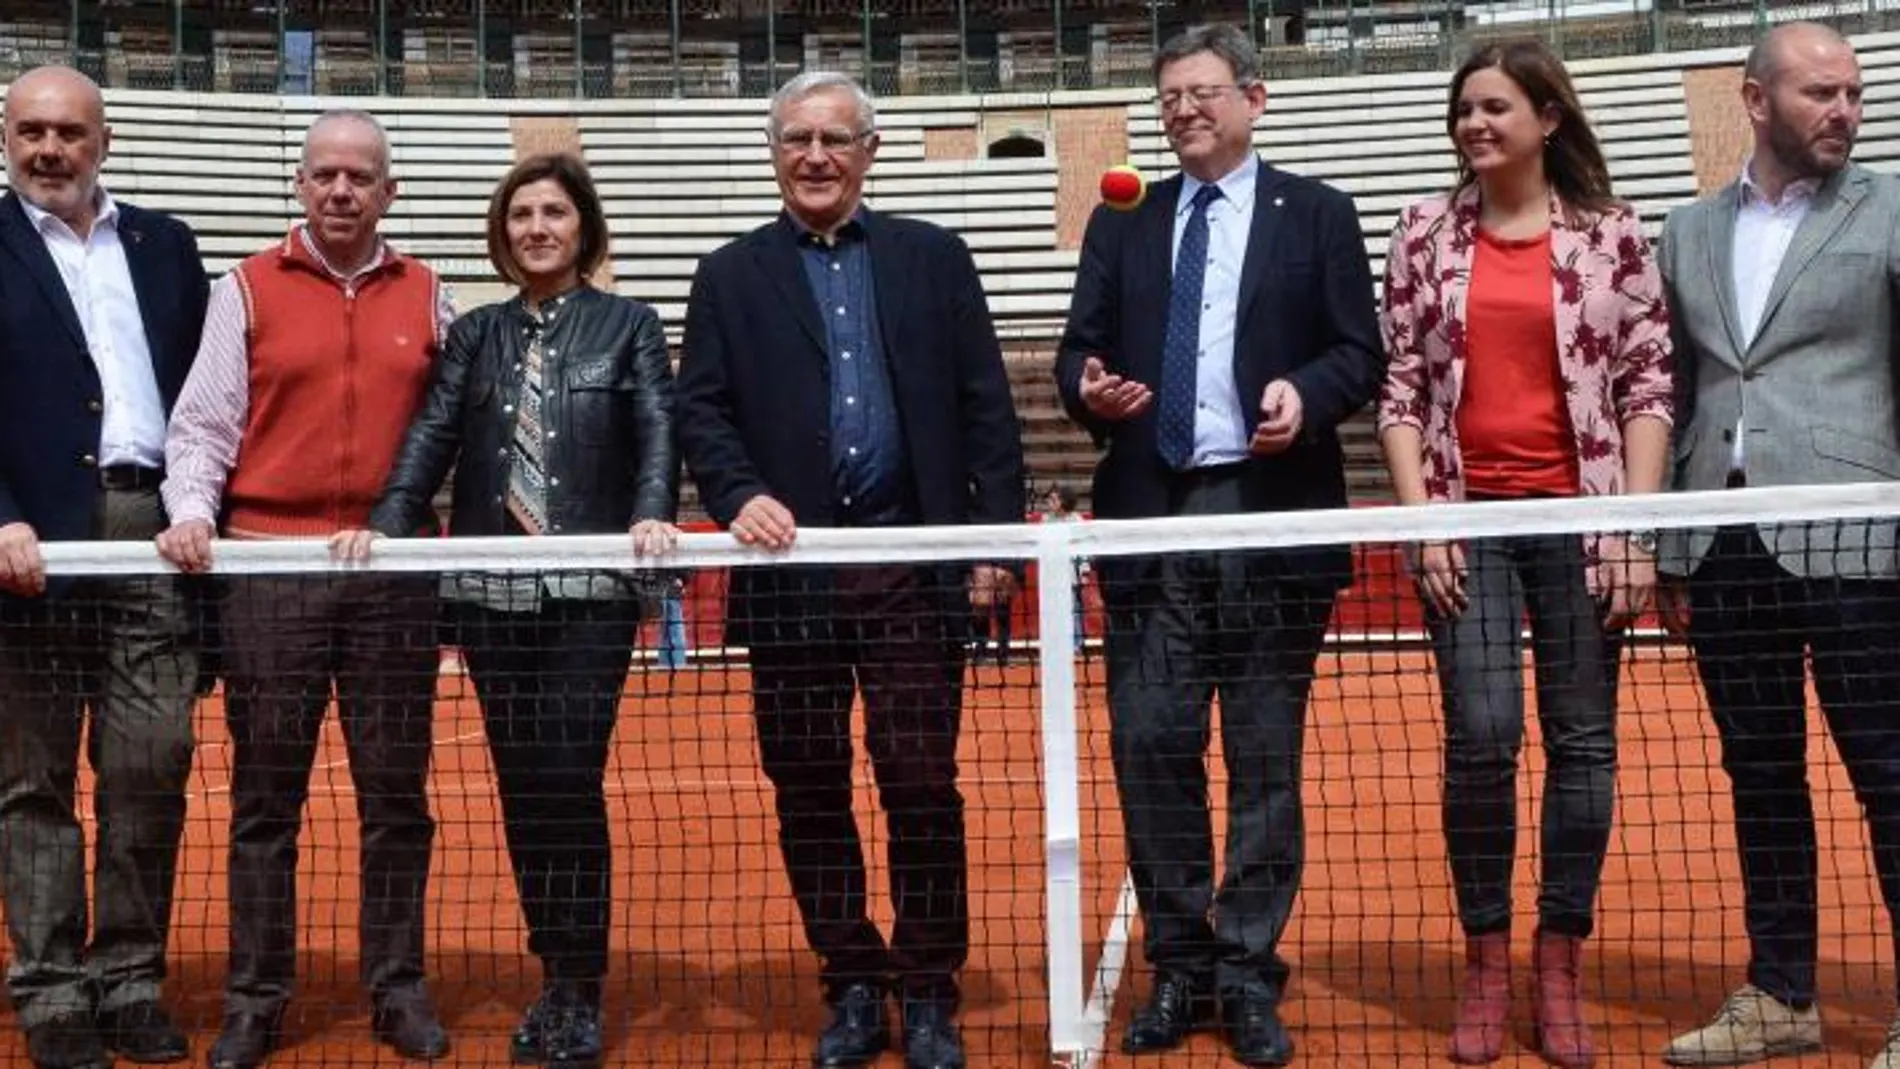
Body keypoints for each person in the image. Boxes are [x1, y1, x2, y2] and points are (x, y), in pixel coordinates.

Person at [676, 70, 1025, 1069]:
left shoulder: (934, 258)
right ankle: (849, 977)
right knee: (806, 783)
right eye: (796, 140)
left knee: (919, 782)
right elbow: (701, 408)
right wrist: (739, 492)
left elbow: (984, 407)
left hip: (912, 568)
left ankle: (926, 987)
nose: (815, 157)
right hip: (793, 576)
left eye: (835, 139)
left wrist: (989, 544)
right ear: (774, 153)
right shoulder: (729, 274)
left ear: (867, 152)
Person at [1054, 23, 1384, 1066]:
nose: (1183, 111)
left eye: (1202, 93)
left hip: (1270, 519)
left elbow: (1356, 353)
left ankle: (1244, 975)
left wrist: (1307, 393)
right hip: (1150, 520)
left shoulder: (1318, 215)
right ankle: (1180, 967)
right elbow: (1077, 354)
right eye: (1169, 98)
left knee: (1262, 764)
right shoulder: (1124, 224)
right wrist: (1090, 390)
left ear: (1253, 99)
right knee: (1149, 750)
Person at [334, 152, 680, 1069]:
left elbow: (657, 429)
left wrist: (652, 511)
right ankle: (556, 971)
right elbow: (433, 436)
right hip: (489, 596)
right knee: (524, 792)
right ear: (503, 231)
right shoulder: (476, 335)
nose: (537, 227)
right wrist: (387, 524)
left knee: (567, 777)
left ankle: (577, 984)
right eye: (521, 213)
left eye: (554, 213)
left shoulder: (630, 324)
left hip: (587, 594)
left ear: (583, 228)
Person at [1377, 38, 1673, 1068]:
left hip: (1581, 520)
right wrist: (1425, 526)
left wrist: (1632, 527)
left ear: (1546, 119)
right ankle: (1486, 962)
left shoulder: (1613, 235)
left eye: (1494, 107)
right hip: (1467, 521)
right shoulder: (1420, 233)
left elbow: (1646, 388)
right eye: (1464, 108)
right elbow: (1401, 394)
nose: (1474, 124)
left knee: (1584, 744)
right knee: (1483, 736)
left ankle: (1557, 963)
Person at [155, 109, 456, 1069]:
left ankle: (398, 988)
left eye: (359, 177)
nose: (340, 190)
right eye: (324, 173)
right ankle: (255, 998)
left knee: (396, 798)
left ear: (389, 192)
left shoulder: (431, 291)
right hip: (268, 567)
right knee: (265, 801)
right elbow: (203, 423)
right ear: (300, 183)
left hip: (392, 575)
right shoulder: (243, 286)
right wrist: (194, 511)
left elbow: (457, 429)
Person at [1656, 23, 1900, 1069]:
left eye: (1850, 93)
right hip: (1724, 541)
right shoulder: (1685, 230)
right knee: (1758, 773)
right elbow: (1673, 391)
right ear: (1755, 102)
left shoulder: (1890, 208)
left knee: (1889, 774)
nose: (1842, 111)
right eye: (1818, 94)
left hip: (1860, 536)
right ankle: (1780, 992)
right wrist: (1668, 545)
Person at [0, 64, 208, 1069]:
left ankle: (129, 979)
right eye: (31, 131)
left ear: (104, 141)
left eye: (69, 133)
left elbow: (209, 399)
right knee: (32, 781)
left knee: (149, 765)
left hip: (153, 529)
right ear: (7, 138)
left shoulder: (168, 248)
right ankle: (50, 992)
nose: (50, 150)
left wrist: (198, 508)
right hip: (25, 545)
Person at [1040, 484, 1090, 652]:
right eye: (1049, 499)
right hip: (1052, 573)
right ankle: (1056, 644)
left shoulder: (1077, 521)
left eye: (1054, 499)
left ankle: (1076, 644)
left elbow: (1084, 549)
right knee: (1052, 611)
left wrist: (1084, 571)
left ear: (1064, 501)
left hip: (1071, 574)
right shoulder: (1045, 521)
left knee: (1073, 609)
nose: (1050, 502)